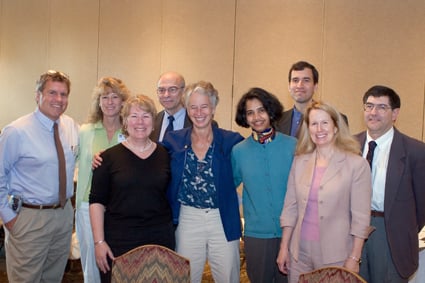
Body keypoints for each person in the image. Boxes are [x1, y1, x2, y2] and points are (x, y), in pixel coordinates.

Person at [276, 101, 371, 283]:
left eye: (325, 123)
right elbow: (290, 208)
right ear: (308, 128)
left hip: (336, 256)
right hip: (299, 254)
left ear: (336, 127)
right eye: (313, 123)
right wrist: (284, 248)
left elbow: (361, 218)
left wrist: (354, 258)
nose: (319, 129)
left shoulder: (356, 165)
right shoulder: (300, 162)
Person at [0, 70, 79, 282]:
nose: (59, 99)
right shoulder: (16, 131)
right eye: (52, 93)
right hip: (29, 217)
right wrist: (9, 218)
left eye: (64, 94)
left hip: (62, 216)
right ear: (38, 95)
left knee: (53, 278)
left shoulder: (70, 126)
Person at [162, 81, 244, 283]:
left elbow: (256, 156)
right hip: (187, 219)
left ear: (214, 108)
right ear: (187, 109)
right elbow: (147, 157)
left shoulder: (231, 140)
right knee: (185, 278)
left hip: (221, 218)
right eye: (193, 107)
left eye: (204, 106)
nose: (199, 112)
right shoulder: (173, 140)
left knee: (229, 277)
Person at [89, 94, 175, 283]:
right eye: (134, 116)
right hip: (119, 240)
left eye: (146, 116)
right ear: (125, 122)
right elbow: (96, 202)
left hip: (159, 238)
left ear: (153, 122)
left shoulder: (165, 154)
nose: (140, 122)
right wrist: (99, 242)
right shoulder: (107, 158)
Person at [356, 85, 425, 282]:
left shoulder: (416, 151)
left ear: (395, 113)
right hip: (352, 233)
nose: (373, 113)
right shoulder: (349, 146)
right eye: (369, 106)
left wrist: (400, 225)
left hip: (391, 234)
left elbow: (422, 205)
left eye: (381, 107)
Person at [231, 87, 296, 283]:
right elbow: (229, 188)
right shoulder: (239, 151)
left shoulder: (293, 145)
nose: (256, 117)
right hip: (257, 235)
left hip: (292, 232)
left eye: (261, 110)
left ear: (270, 111)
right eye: (250, 113)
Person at [75, 77, 130, 283]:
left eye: (115, 97)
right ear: (98, 102)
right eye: (104, 97)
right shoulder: (85, 131)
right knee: (91, 261)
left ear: (123, 101)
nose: (109, 102)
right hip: (87, 205)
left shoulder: (130, 131)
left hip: (119, 206)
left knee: (116, 259)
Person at [276, 61, 348, 137]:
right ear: (289, 86)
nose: (300, 85)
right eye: (295, 80)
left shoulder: (337, 119)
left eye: (306, 80)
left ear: (315, 87)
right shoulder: (276, 121)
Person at [150, 71, 190, 142]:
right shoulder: (152, 122)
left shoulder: (197, 122)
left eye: (172, 89)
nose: (166, 95)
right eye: (161, 90)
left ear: (184, 91)